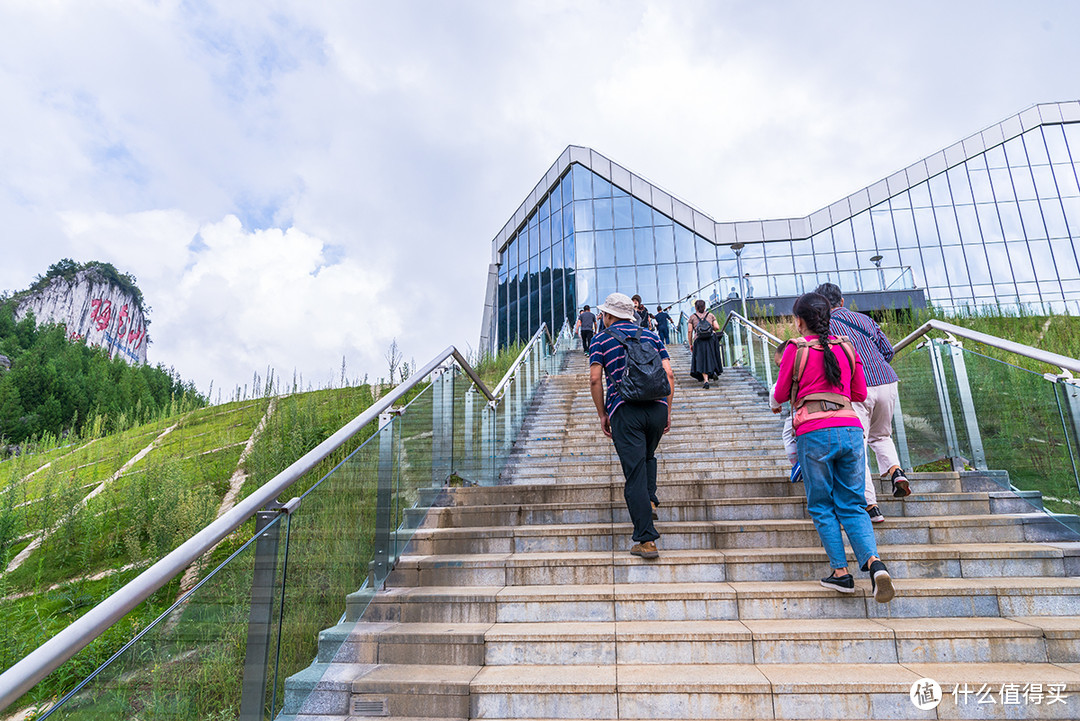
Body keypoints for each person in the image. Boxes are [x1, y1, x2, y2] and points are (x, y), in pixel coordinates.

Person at [773, 292, 894, 603]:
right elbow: (858, 391)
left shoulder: (795, 350)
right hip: (851, 429)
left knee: (822, 504)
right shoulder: (846, 347)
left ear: (799, 321)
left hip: (814, 433)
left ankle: (841, 574)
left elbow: (781, 393)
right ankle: (874, 564)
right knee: (853, 504)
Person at [815, 282, 911, 526]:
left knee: (857, 447)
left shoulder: (824, 327)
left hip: (857, 388)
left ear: (821, 305)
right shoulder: (865, 320)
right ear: (842, 301)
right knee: (882, 436)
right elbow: (887, 351)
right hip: (887, 380)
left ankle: (871, 505)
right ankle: (896, 472)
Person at [589, 292, 675, 560]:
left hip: (625, 409)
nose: (602, 317)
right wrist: (668, 411)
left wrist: (603, 413)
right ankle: (649, 499)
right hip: (657, 407)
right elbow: (669, 373)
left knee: (635, 473)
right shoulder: (650, 335)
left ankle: (646, 540)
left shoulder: (600, 339)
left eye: (604, 313)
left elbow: (594, 380)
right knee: (648, 456)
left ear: (610, 316)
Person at [769, 340, 801, 484]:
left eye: (780, 365)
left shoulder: (790, 372)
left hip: (800, 411)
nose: (781, 369)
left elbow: (776, 391)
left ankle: (797, 464)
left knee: (788, 435)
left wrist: (774, 405)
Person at [688, 299, 722, 389]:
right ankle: (713, 371)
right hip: (711, 339)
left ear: (695, 307)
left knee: (701, 360)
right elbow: (717, 327)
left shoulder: (692, 317)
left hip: (699, 340)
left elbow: (689, 331)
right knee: (711, 356)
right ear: (705, 307)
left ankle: (706, 380)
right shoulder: (710, 315)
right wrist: (709, 329)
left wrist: (690, 344)